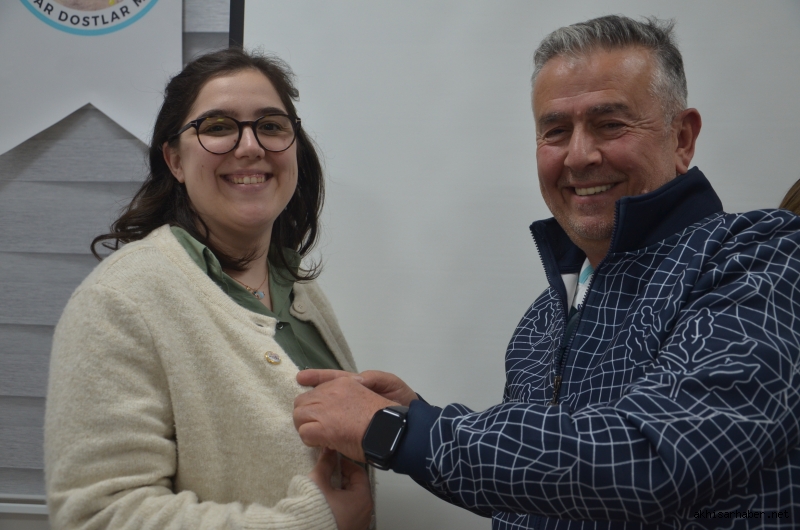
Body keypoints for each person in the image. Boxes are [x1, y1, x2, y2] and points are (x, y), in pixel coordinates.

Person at [293, 15, 800, 529]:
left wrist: (401, 432)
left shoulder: (761, 261)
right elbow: (539, 486)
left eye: (610, 124)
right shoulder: (543, 318)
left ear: (683, 137)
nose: (579, 156)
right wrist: (417, 415)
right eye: (556, 131)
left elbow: (650, 461)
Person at [45, 48, 372, 530]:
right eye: (218, 126)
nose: (250, 146)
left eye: (271, 125)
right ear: (175, 160)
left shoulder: (293, 285)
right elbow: (96, 516)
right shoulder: (118, 302)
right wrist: (309, 522)